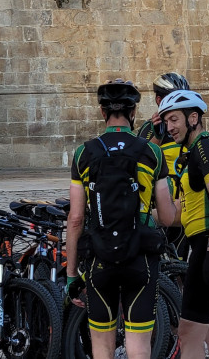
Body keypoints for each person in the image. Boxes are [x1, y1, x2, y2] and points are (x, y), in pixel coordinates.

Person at [64, 79, 176, 359]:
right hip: (140, 257)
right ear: (134, 112)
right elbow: (165, 216)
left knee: (102, 345)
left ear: (102, 113)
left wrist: (71, 275)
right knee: (139, 345)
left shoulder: (84, 153)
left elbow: (76, 219)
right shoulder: (152, 152)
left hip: (99, 257)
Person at [157, 89, 209, 359]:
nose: (168, 127)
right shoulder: (192, 153)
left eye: (174, 120)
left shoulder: (205, 147)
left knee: (188, 333)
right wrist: (140, 214)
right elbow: (176, 216)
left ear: (193, 118)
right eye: (165, 121)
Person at [138, 72, 191, 259]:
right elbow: (141, 162)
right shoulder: (148, 128)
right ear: (159, 100)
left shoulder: (187, 128)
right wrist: (157, 135)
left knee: (180, 261)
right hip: (158, 207)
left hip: (183, 206)